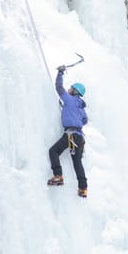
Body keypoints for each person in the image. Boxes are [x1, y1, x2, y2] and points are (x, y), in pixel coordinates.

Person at [48, 65, 88, 197]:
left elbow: (59, 88)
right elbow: (84, 120)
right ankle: (83, 188)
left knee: (53, 151)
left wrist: (60, 72)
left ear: (74, 91)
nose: (69, 89)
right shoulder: (81, 106)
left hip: (70, 135)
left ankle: (58, 175)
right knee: (77, 163)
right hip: (79, 137)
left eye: (71, 88)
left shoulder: (69, 100)